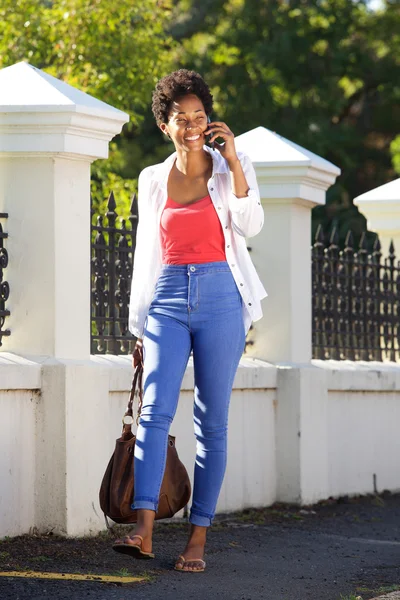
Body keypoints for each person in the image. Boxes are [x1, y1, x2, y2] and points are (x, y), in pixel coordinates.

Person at [112, 69, 267, 572]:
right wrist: (139, 327)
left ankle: (198, 537)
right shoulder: (152, 178)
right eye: (183, 118)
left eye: (200, 116)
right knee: (155, 411)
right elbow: (144, 255)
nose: (193, 125)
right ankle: (144, 528)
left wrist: (235, 160)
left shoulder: (229, 169)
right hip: (168, 298)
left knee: (211, 422)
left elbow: (251, 223)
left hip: (223, 296)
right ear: (166, 125)